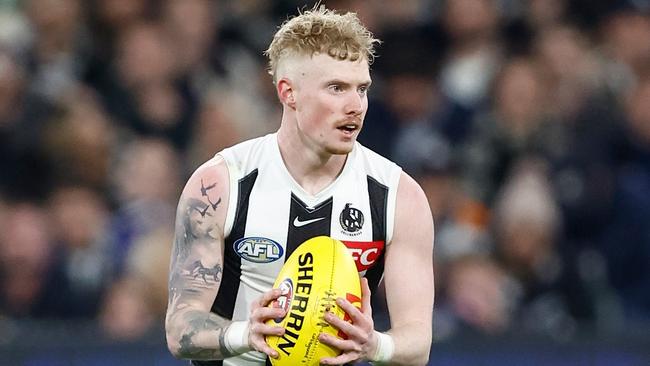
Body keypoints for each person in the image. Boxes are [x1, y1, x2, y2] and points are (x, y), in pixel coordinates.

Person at [165, 6, 434, 366]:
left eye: (362, 89)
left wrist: (376, 346)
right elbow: (181, 327)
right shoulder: (220, 185)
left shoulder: (398, 196)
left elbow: (418, 340)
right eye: (336, 88)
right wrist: (245, 334)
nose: (355, 106)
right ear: (288, 93)